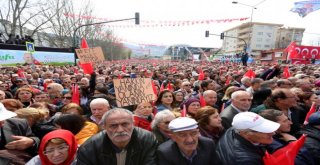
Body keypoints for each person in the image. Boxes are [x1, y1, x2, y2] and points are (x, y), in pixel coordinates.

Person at [76, 108, 157, 165]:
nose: (120, 130)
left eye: (125, 124)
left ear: (133, 124)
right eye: (113, 126)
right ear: (104, 127)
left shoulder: (147, 139)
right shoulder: (89, 148)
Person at [216, 112, 280, 164]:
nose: (273, 133)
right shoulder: (246, 161)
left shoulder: (236, 129)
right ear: (246, 134)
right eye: (265, 131)